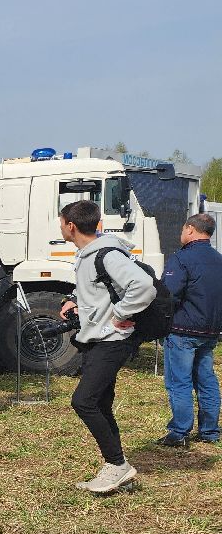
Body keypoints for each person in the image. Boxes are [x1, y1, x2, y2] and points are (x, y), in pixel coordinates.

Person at [57, 199, 156, 495]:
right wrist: (76, 297)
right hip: (96, 338)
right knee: (100, 403)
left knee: (84, 401)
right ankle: (116, 466)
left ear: (71, 226)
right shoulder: (88, 254)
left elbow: (144, 286)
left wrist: (121, 313)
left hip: (110, 340)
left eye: (61, 223)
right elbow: (99, 285)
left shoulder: (106, 253)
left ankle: (117, 465)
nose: (60, 227)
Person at [158, 212, 222, 447]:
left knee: (179, 381)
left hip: (183, 329)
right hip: (210, 330)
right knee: (206, 379)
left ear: (190, 230)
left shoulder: (181, 259)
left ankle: (179, 432)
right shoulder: (219, 259)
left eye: (183, 229)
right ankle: (210, 431)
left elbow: (169, 293)